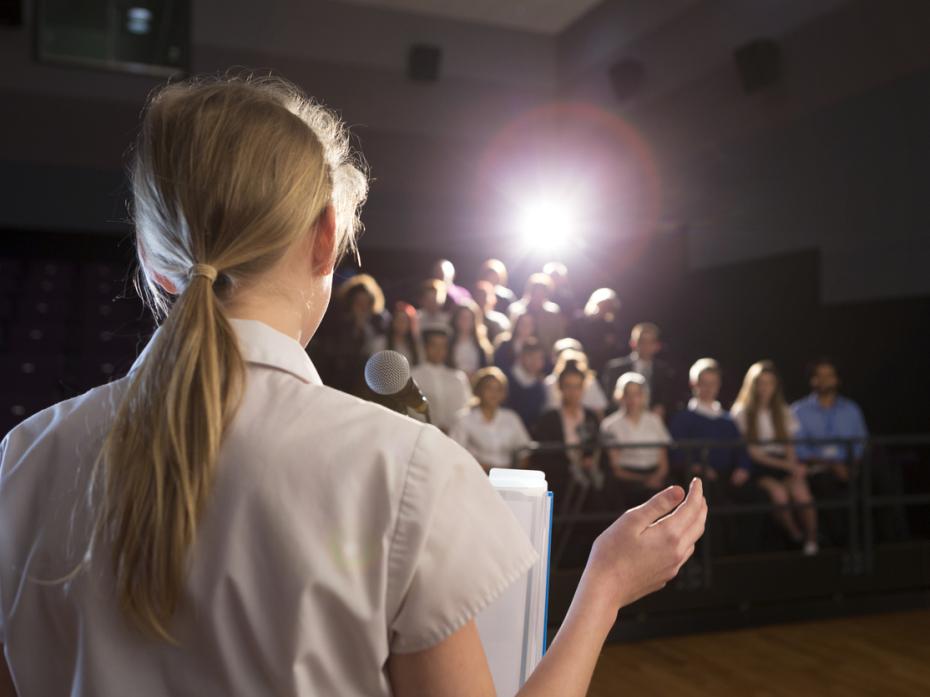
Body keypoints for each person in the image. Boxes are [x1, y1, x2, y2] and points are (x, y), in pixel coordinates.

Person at [0, 74, 707, 697]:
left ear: (153, 262)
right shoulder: (402, 471)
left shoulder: (24, 457)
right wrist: (605, 586)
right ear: (324, 236)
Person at [669, 358, 767, 554]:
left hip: (729, 476)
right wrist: (698, 467)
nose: (708, 388)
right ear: (694, 384)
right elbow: (677, 454)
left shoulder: (727, 420)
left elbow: (741, 449)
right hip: (700, 479)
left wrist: (743, 468)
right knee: (711, 498)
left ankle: (745, 553)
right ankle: (715, 557)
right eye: (703, 383)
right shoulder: (682, 418)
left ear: (718, 385)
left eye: (712, 383)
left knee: (759, 496)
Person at [732, 360, 819, 555]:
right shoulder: (742, 412)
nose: (765, 388)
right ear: (752, 385)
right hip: (760, 466)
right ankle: (795, 535)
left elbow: (789, 446)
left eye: (769, 383)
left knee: (802, 494)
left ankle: (812, 541)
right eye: (760, 383)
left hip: (783, 463)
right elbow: (754, 453)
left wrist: (793, 467)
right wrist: (786, 465)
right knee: (779, 495)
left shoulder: (783, 411)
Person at [791, 358, 869, 546]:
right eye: (820, 376)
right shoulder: (798, 411)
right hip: (818, 469)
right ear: (813, 380)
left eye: (829, 375)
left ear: (837, 379)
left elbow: (862, 443)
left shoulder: (851, 409)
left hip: (852, 465)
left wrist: (852, 465)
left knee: (879, 475)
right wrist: (833, 465)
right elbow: (800, 449)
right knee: (826, 484)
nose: (825, 380)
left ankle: (891, 540)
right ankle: (840, 545)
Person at [600, 373, 672, 511]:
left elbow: (664, 463)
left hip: (656, 479)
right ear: (620, 396)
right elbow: (616, 468)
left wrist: (656, 477)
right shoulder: (610, 425)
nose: (632, 399)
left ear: (644, 396)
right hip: (626, 483)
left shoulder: (655, 421)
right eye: (628, 394)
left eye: (637, 394)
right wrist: (644, 480)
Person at [450, 368, 531, 473]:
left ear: (504, 394)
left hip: (507, 476)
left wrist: (515, 472)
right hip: (476, 475)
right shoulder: (464, 419)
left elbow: (524, 449)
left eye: (498, 389)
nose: (494, 393)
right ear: (478, 391)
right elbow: (455, 452)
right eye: (488, 388)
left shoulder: (512, 418)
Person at [600, 322, 676, 418]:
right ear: (633, 343)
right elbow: (609, 401)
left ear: (657, 346)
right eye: (642, 341)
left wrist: (661, 409)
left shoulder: (665, 371)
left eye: (651, 342)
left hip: (653, 421)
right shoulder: (615, 369)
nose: (646, 346)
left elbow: (668, 401)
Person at [410, 327, 472, 432]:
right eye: (434, 345)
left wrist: (449, 427)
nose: (438, 350)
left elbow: (466, 408)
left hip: (454, 434)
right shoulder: (413, 376)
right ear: (425, 347)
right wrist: (433, 427)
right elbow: (411, 409)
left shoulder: (458, 377)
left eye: (443, 346)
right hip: (421, 432)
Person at [568, 288, 623, 374]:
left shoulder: (611, 326)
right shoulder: (580, 321)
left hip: (605, 365)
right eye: (604, 305)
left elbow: (615, 347)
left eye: (608, 306)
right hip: (583, 362)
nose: (605, 309)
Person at [508, 273, 566, 354]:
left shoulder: (553, 314)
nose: (538, 297)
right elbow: (510, 336)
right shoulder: (516, 311)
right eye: (535, 293)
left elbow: (558, 338)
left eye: (541, 294)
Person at [543, 348, 608, 418]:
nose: (572, 392)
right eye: (568, 386)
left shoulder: (591, 382)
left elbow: (599, 412)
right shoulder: (550, 383)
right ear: (560, 386)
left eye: (577, 386)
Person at [504, 338, 548, 430]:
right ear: (521, 357)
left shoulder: (539, 386)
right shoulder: (506, 380)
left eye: (539, 358)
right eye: (531, 357)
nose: (535, 362)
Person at [447, 300, 493, 377]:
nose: (465, 321)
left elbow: (485, 368)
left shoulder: (481, 345)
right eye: (462, 317)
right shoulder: (448, 343)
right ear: (456, 319)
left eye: (468, 318)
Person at [372, 301, 421, 367]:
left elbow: (420, 365)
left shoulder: (415, 345)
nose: (401, 325)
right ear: (392, 323)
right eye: (399, 321)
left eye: (404, 321)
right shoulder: (381, 343)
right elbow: (374, 366)